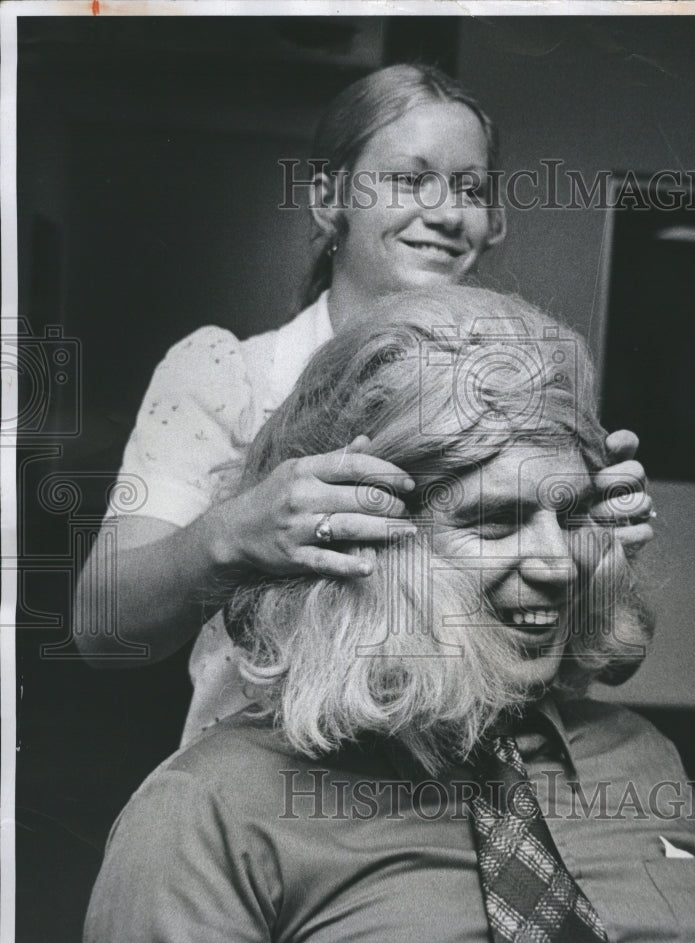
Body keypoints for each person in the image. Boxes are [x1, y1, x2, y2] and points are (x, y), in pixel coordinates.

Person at [81, 288, 695, 943]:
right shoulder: (209, 817)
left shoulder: (646, 762)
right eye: (495, 522)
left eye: (569, 518)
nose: (559, 564)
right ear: (363, 542)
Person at [72, 63, 653, 745]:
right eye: (410, 179)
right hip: (269, 784)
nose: (445, 212)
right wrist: (230, 535)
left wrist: (594, 557)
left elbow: (595, 660)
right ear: (328, 200)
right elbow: (101, 629)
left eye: (470, 187)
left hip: (459, 782)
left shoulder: (523, 386)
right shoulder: (229, 373)